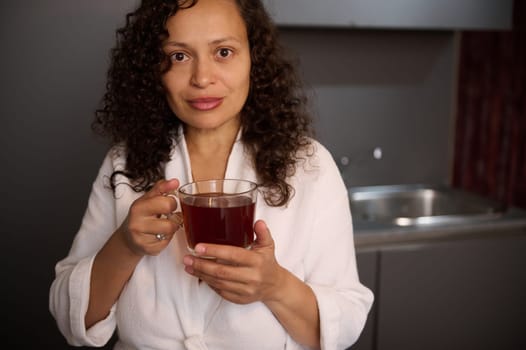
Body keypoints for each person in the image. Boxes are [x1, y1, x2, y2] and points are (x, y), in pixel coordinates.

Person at [49, 0, 374, 349]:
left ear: (254, 59)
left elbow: (345, 322)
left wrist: (274, 285)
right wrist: (125, 246)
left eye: (223, 51)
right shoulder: (124, 163)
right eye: (178, 56)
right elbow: (72, 318)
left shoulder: (309, 166)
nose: (202, 78)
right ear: (152, 67)